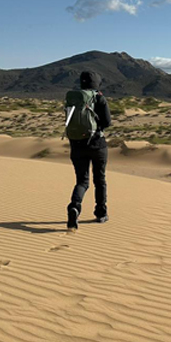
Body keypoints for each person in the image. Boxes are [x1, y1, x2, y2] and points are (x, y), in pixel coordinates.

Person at [66, 71, 112, 230]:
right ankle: (101, 213)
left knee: (82, 181)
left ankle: (74, 207)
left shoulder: (74, 98)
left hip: (76, 145)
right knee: (99, 179)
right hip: (97, 144)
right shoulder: (98, 97)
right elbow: (107, 122)